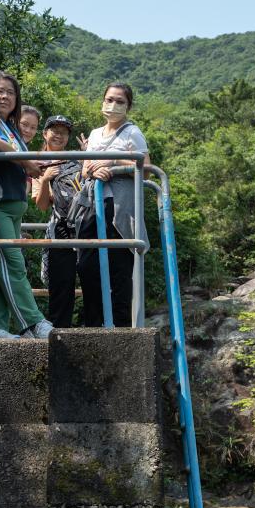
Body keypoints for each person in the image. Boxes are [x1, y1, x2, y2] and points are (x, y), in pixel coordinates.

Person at [0, 71, 53, 339]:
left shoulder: (11, 127)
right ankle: (32, 323)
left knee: (1, 267)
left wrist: (32, 165)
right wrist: (26, 162)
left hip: (13, 206)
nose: (5, 96)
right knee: (13, 264)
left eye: (11, 93)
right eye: (0, 91)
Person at [78, 82, 150, 328]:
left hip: (120, 207)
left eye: (120, 101)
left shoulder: (133, 133)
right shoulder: (96, 133)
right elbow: (86, 168)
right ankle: (93, 325)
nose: (113, 105)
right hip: (93, 205)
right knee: (87, 264)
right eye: (109, 99)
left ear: (128, 106)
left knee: (119, 269)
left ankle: (120, 329)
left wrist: (115, 162)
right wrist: (90, 170)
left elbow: (146, 170)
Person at [32, 115, 81, 328]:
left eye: (64, 131)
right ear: (45, 133)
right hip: (60, 228)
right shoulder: (38, 163)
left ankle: (93, 328)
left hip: (86, 225)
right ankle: (59, 332)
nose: (59, 135)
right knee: (62, 284)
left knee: (92, 279)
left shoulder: (79, 159)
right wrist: (45, 179)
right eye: (54, 130)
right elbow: (42, 206)